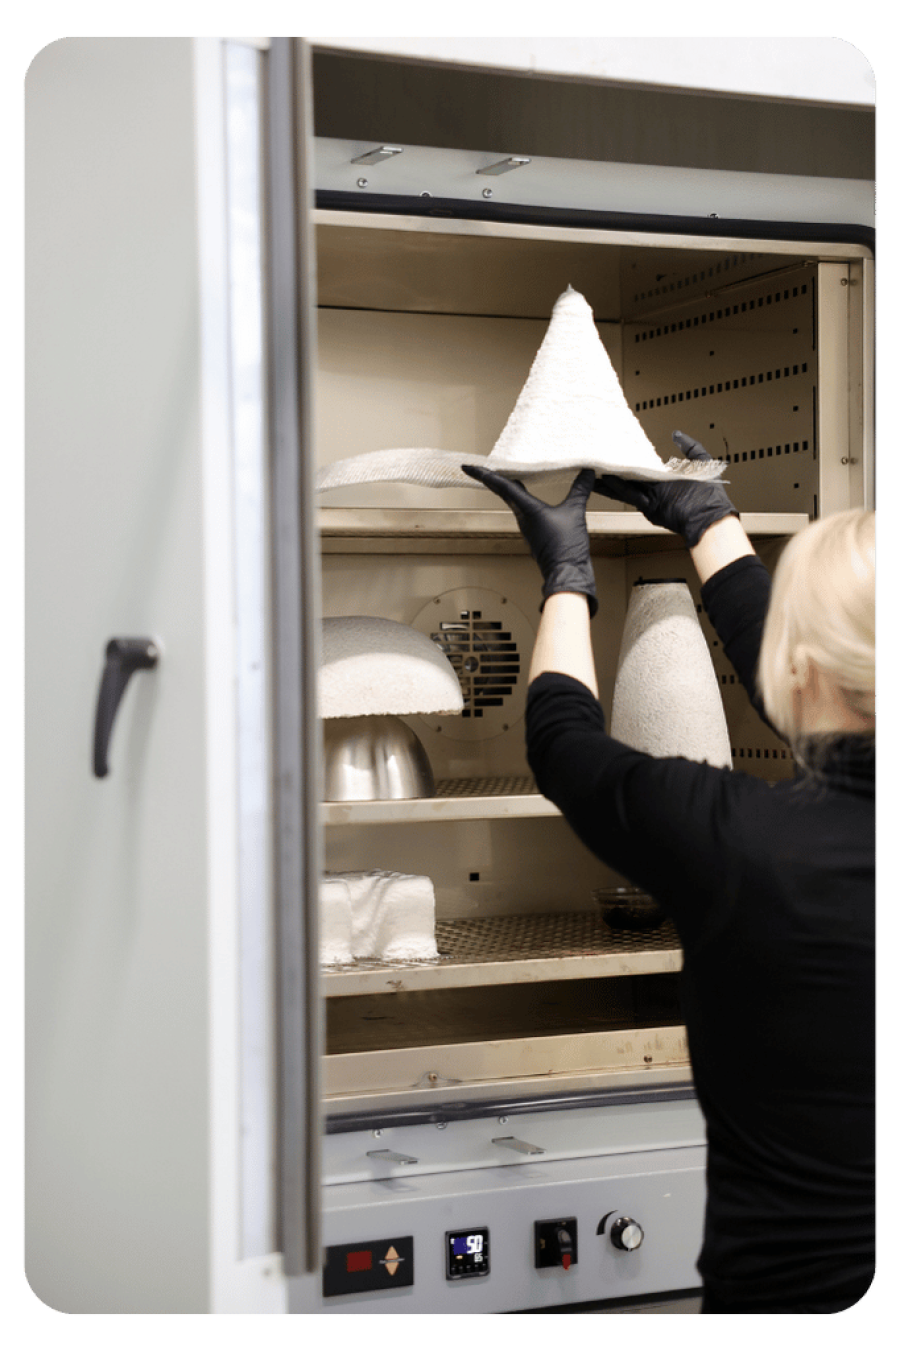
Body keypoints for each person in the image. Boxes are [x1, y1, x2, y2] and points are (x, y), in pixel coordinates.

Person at [463, 432, 877, 1317]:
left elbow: (565, 744)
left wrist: (566, 577)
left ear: (801, 667)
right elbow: (832, 709)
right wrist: (709, 523)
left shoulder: (742, 844)